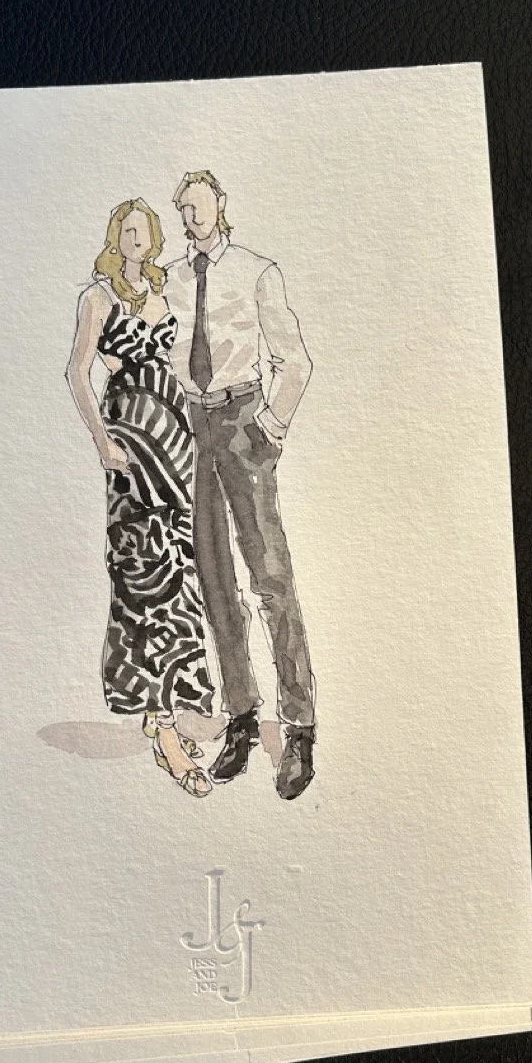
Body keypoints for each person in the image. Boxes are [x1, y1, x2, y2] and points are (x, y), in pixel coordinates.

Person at [163, 171, 317, 800]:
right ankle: (243, 715)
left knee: (270, 578)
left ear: (221, 205)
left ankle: (299, 724)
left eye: (199, 204)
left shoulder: (256, 271)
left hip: (242, 419)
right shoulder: (170, 279)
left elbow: (295, 361)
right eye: (183, 208)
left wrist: (271, 426)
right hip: (192, 427)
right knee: (215, 580)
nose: (192, 216)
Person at [66, 198, 215, 798]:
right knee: (141, 574)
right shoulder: (97, 298)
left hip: (174, 436)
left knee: (181, 569)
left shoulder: (163, 290)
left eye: (144, 231)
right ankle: (163, 729)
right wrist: (101, 440)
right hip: (129, 439)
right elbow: (77, 372)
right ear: (114, 237)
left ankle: (171, 709)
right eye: (126, 230)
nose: (136, 239)